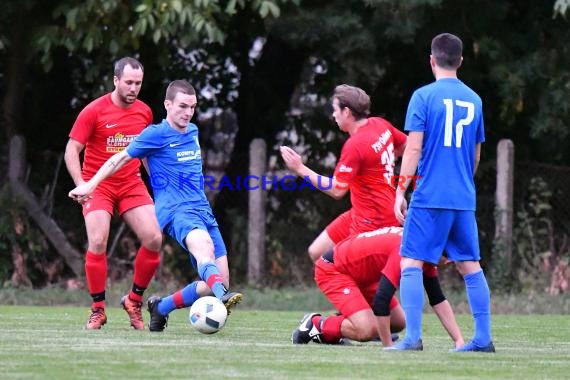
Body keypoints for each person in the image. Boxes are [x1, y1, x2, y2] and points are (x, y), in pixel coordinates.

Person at [69, 79, 242, 332]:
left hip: (203, 210)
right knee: (204, 251)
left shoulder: (192, 131)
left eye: (192, 107)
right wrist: (90, 184)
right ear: (168, 105)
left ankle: (161, 308)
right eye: (182, 106)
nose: (187, 113)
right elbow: (119, 159)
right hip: (176, 211)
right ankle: (222, 297)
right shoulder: (155, 134)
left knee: (218, 279)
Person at [390, 33, 494, 352]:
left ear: (432, 60)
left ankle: (412, 338)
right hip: (463, 197)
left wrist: (400, 190)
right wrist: (463, 182)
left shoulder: (423, 96)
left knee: (410, 262)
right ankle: (483, 338)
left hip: (430, 196)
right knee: (470, 266)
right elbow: (476, 155)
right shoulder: (475, 100)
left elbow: (414, 148)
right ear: (460, 61)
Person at [65, 57, 163, 330]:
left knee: (154, 238)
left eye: (138, 83)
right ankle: (98, 310)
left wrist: (157, 181)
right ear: (116, 80)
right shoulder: (94, 111)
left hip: (131, 183)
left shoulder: (144, 112)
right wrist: (82, 183)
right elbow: (72, 150)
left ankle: (133, 301)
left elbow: (143, 151)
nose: (134, 88)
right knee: (97, 240)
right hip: (100, 186)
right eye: (129, 82)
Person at [280, 84, 407, 263]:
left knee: (357, 277)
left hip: (374, 220)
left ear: (346, 112)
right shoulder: (380, 124)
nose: (333, 115)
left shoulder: (355, 145)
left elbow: (337, 190)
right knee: (317, 252)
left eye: (335, 110)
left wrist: (300, 168)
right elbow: (407, 146)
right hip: (360, 211)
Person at [291, 226, 464, 348]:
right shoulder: (406, 251)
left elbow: (437, 298)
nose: (449, 261)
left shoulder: (423, 249)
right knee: (367, 330)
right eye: (448, 256)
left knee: (399, 322)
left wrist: (459, 340)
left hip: (362, 276)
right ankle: (315, 324)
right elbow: (382, 299)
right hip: (334, 270)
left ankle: (350, 319)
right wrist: (388, 347)